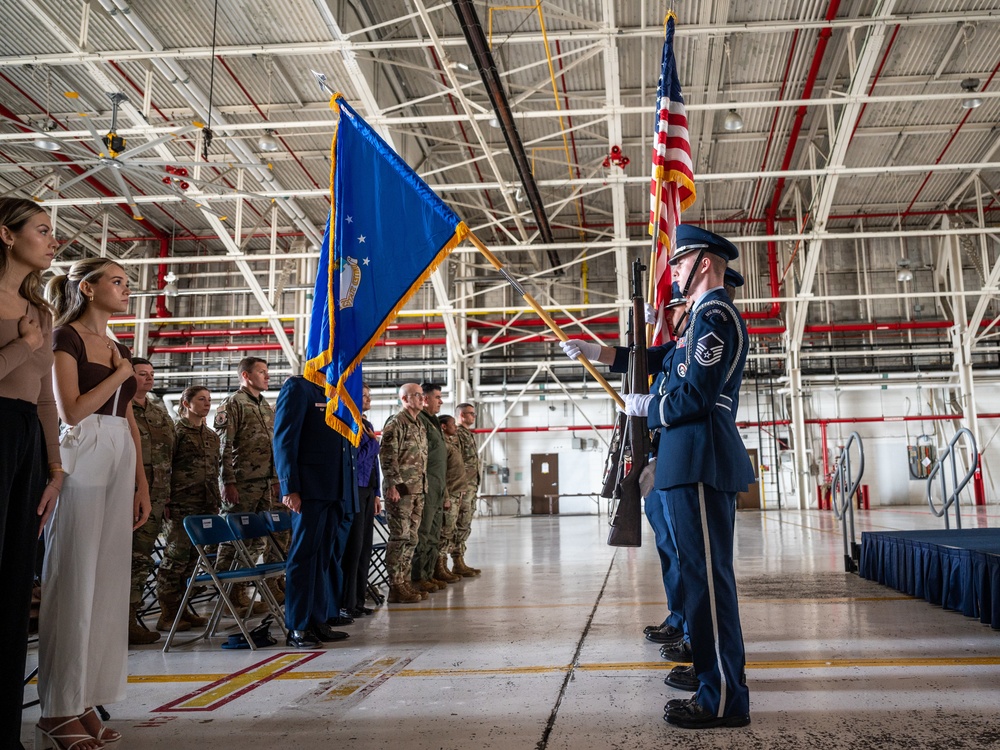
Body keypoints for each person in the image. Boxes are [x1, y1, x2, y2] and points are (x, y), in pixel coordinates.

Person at [629, 226, 754, 729]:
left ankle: (722, 697)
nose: (674, 271)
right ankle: (711, 676)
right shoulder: (699, 320)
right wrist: (604, 355)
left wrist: (651, 406)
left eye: (679, 262)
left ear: (704, 262)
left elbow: (696, 397)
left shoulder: (715, 316)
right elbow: (663, 363)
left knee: (707, 584)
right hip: (689, 462)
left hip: (701, 459)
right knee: (699, 581)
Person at [38, 257, 151, 750]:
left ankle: (83, 696)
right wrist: (120, 373)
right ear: (87, 287)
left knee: (106, 582)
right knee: (75, 579)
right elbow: (72, 410)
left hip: (119, 451)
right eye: (118, 282)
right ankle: (56, 707)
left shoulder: (117, 345)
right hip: (81, 449)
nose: (127, 289)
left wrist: (141, 483)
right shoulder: (67, 338)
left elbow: (127, 417)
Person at [0, 199, 61, 750]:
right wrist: (22, 344)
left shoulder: (40, 311)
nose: (51, 240)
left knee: (16, 582)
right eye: (42, 230)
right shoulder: (26, 324)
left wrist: (55, 467)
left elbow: (44, 399)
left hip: (26, 439)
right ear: (6, 233)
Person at [273, 374, 356, 648]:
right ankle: (297, 626)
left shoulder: (338, 390)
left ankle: (317, 620)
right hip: (309, 490)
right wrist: (289, 487)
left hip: (335, 488)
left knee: (323, 557)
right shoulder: (299, 387)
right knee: (303, 558)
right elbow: (285, 439)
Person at [214, 356, 280, 615]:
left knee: (257, 541)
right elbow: (223, 447)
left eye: (267, 371)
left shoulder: (265, 406)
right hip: (241, 483)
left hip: (264, 482)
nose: (267, 376)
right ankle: (224, 597)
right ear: (246, 376)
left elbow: (273, 447)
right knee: (232, 540)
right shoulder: (233, 403)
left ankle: (239, 590)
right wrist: (227, 481)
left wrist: (274, 480)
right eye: (262, 372)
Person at [155, 386, 218, 632]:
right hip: (181, 504)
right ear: (186, 402)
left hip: (206, 504)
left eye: (209, 400)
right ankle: (167, 614)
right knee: (175, 560)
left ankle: (183, 609)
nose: (206, 404)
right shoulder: (174, 431)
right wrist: (166, 501)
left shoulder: (211, 436)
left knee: (193, 560)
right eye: (201, 399)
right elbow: (165, 466)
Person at [128, 357, 174, 645]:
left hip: (156, 499)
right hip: (128, 496)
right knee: (128, 558)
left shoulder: (159, 413)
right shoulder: (119, 409)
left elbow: (172, 455)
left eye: (151, 374)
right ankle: (121, 618)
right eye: (142, 374)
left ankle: (130, 616)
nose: (148, 378)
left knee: (142, 560)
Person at [379, 383, 428, 604]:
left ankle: (405, 581)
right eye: (417, 395)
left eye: (422, 395)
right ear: (404, 399)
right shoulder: (396, 422)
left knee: (412, 538)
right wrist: (392, 485)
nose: (421, 399)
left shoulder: (419, 424)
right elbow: (387, 456)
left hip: (417, 489)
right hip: (401, 491)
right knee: (399, 537)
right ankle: (395, 585)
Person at [341, 382, 381, 617]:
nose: (367, 399)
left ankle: (358, 600)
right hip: (354, 489)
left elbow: (373, 464)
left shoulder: (367, 425)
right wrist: (373, 446)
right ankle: (347, 601)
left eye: (368, 395)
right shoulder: (348, 423)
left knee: (365, 547)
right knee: (353, 548)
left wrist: (376, 493)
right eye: (363, 395)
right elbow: (354, 458)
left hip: (367, 490)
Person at [411, 382, 449, 592]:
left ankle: (427, 573)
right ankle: (417, 577)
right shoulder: (421, 422)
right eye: (437, 397)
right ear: (424, 399)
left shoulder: (433, 421)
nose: (441, 401)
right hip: (425, 486)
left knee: (434, 533)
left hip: (437, 486)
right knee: (423, 533)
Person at [451, 403, 482, 577]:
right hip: (463, 488)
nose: (474, 417)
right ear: (462, 415)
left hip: (470, 486)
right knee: (459, 524)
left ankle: (459, 561)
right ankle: (455, 561)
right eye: (471, 414)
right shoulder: (457, 434)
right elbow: (457, 463)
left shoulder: (466, 434)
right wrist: (460, 486)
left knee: (465, 524)